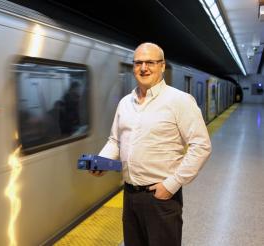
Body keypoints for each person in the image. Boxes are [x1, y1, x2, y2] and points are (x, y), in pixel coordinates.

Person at [90, 42, 212, 246]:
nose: (143, 68)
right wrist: (103, 161)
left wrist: (171, 184)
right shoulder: (125, 103)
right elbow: (115, 140)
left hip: (161, 197)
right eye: (138, 63)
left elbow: (201, 146)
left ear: (162, 66)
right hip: (130, 195)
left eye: (150, 62)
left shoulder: (179, 101)